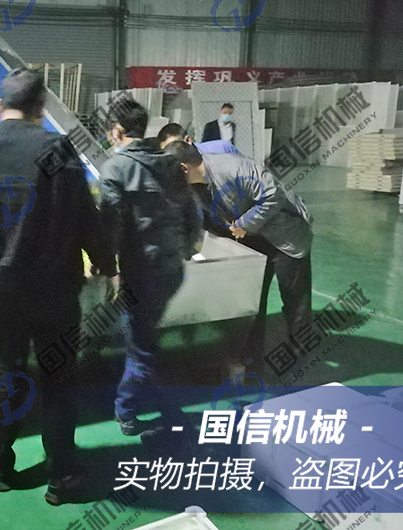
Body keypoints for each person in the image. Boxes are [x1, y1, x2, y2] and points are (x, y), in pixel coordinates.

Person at [0, 68, 115, 506]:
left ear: (0, 106)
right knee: (58, 376)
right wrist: (106, 263)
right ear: (41, 108)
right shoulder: (58, 150)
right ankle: (62, 475)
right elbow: (85, 216)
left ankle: (1, 462)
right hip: (54, 286)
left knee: (6, 372)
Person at [99, 100, 200, 443]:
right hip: (172, 269)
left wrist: (107, 270)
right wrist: (186, 249)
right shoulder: (170, 162)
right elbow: (193, 213)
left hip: (142, 274)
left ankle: (133, 412)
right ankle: (150, 403)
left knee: (141, 349)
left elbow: (109, 226)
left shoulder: (116, 167)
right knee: (143, 339)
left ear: (117, 130)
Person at [166, 141, 313, 336]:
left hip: (285, 234)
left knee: (295, 300)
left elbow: (272, 195)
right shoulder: (195, 185)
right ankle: (252, 349)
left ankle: (299, 346)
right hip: (253, 239)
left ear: (184, 168)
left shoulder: (234, 167)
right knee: (252, 298)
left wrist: (245, 223)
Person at [158, 122, 240, 154]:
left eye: (174, 147)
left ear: (188, 140)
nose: (171, 153)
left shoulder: (222, 148)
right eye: (166, 151)